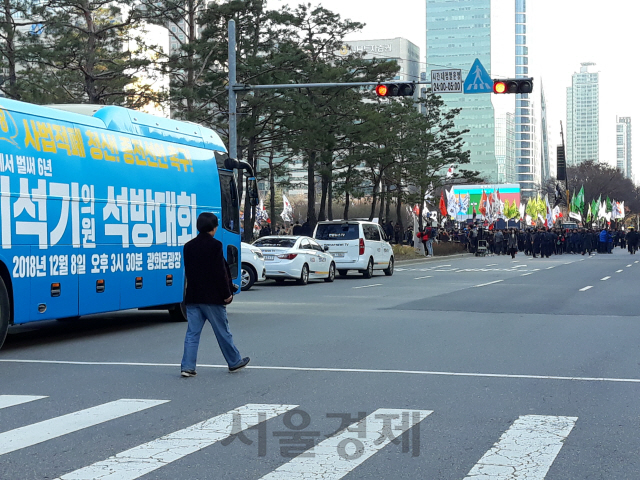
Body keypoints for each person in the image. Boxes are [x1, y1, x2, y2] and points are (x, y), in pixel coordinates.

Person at [180, 212, 250, 377]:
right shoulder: (216, 246)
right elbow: (220, 273)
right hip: (212, 297)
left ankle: (187, 366)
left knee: (192, 333)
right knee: (222, 331)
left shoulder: (188, 246)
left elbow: (190, 272)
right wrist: (227, 293)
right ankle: (234, 361)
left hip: (193, 296)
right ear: (213, 227)